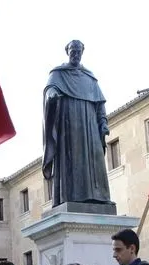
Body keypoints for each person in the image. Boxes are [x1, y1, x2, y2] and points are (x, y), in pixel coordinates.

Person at [42, 39, 111, 206]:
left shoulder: (90, 78)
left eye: (78, 51)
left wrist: (103, 123)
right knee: (72, 159)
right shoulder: (58, 74)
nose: (75, 54)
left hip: (90, 127)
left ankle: (98, 196)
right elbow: (50, 89)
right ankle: (71, 196)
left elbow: (99, 104)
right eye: (73, 50)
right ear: (68, 52)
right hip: (69, 125)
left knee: (94, 159)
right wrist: (51, 95)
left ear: (82, 52)